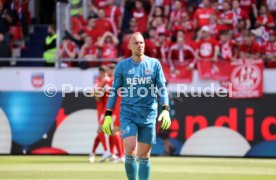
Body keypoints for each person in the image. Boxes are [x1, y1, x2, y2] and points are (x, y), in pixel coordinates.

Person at [102, 32, 171, 180]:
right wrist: (108, 114)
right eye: (136, 43)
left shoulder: (154, 64)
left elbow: (162, 88)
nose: (139, 45)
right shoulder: (122, 66)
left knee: (144, 155)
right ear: (129, 46)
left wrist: (165, 109)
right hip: (128, 114)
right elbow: (114, 91)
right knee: (131, 149)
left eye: (141, 42)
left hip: (148, 114)